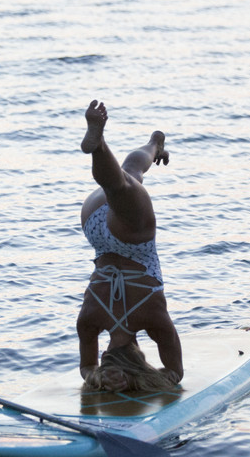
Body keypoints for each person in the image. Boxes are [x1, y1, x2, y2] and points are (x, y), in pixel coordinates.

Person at [76, 100, 184, 392]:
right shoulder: (89, 320)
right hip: (95, 227)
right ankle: (150, 145)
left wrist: (144, 379)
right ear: (106, 355)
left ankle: (101, 146)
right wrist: (95, 376)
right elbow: (86, 367)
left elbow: (175, 372)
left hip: (132, 239)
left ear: (140, 355)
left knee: (124, 180)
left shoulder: (152, 319)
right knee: (125, 178)